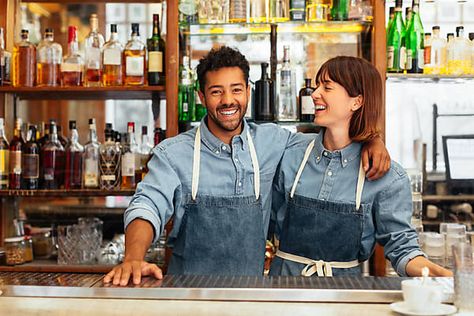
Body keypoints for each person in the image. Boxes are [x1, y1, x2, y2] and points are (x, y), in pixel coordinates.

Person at [104, 47, 391, 286]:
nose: (228, 100)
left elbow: (333, 143)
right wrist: (133, 257)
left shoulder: (274, 141)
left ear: (248, 92)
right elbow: (147, 205)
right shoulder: (173, 153)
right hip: (188, 297)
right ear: (201, 97)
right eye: (216, 92)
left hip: (252, 297)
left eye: (236, 90)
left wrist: (372, 139)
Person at [269, 56, 452, 277]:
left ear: (356, 101)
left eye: (327, 87)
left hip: (345, 295)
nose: (315, 93)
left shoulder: (387, 177)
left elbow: (402, 247)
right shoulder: (290, 152)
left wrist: (442, 275)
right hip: (284, 291)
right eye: (318, 86)